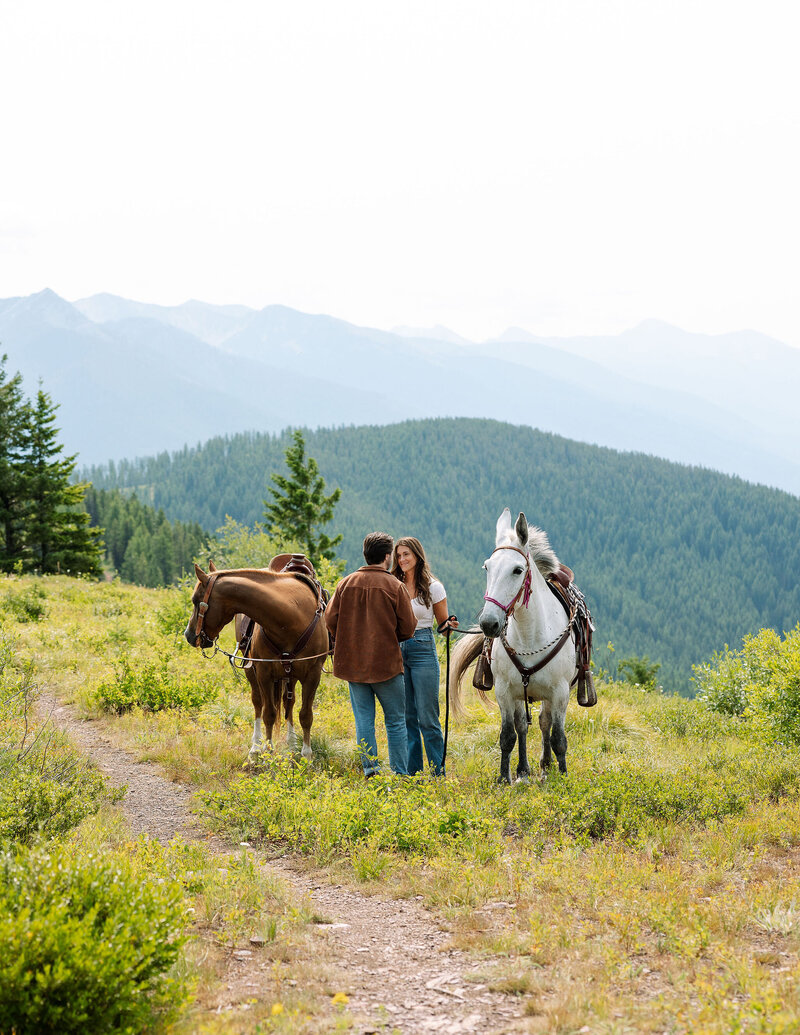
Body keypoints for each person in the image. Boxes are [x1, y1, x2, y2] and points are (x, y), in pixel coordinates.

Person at [325, 531, 417, 778]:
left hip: (354, 665)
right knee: (395, 721)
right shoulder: (394, 586)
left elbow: (329, 619)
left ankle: (371, 771)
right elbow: (408, 628)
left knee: (364, 720)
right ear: (388, 556)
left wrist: (346, 638)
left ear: (365, 555)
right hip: (386, 665)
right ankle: (400, 773)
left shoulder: (345, 583)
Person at [391, 536, 457, 776]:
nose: (402, 559)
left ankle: (438, 772)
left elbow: (442, 626)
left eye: (406, 554)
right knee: (407, 716)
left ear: (417, 555)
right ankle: (413, 774)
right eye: (398, 556)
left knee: (427, 716)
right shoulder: (392, 582)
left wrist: (449, 625)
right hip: (397, 648)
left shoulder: (433, 586)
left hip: (422, 647)